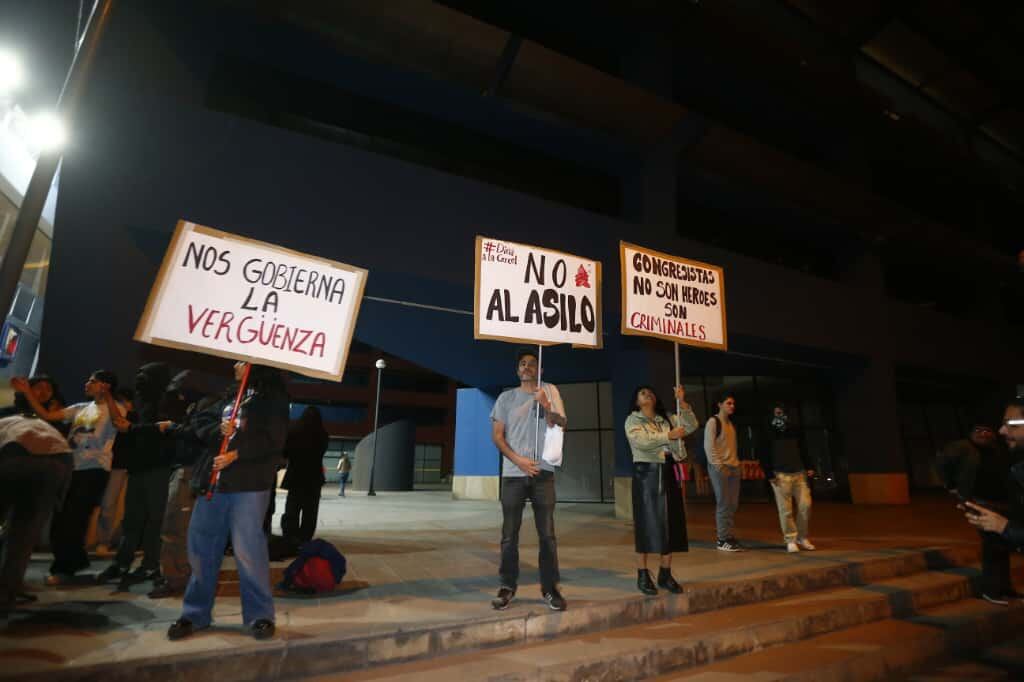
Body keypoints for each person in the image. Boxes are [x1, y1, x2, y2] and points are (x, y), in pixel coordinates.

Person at [167, 362, 289, 641]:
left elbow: (274, 440)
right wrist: (217, 430)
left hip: (249, 484)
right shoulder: (230, 396)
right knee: (201, 548)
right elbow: (201, 422)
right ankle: (194, 614)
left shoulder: (272, 398)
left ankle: (259, 616)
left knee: (248, 551)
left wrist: (237, 452)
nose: (235, 365)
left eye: (242, 360)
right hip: (214, 483)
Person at [12, 370, 126, 584]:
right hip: (73, 467)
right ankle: (73, 561)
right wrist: (27, 391)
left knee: (73, 518)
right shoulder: (80, 408)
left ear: (104, 385)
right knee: (63, 517)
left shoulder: (115, 407)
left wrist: (108, 397)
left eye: (92, 381)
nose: (87, 383)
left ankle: (64, 568)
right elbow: (47, 416)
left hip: (95, 468)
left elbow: (119, 422)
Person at [489, 348, 568, 612]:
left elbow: (561, 423)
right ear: (517, 370)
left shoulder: (550, 391)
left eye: (532, 364)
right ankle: (507, 585)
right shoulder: (505, 398)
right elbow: (498, 436)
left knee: (547, 535)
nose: (527, 367)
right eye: (522, 364)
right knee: (509, 535)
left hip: (543, 473)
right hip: (514, 474)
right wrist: (518, 460)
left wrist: (546, 406)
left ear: (540, 370)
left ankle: (550, 588)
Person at [97, 363, 176, 587]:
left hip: (158, 469)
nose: (140, 378)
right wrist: (109, 397)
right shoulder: (143, 402)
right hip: (139, 468)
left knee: (154, 520)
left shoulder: (167, 402)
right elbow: (123, 423)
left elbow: (163, 429)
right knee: (132, 519)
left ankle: (150, 564)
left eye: (145, 374)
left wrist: (133, 429)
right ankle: (122, 562)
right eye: (138, 372)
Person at [149, 372, 221, 599]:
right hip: (190, 471)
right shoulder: (202, 404)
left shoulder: (207, 405)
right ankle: (178, 575)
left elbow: (200, 434)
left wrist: (173, 428)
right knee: (178, 528)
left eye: (180, 390)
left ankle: (177, 578)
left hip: (191, 472)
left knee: (175, 528)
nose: (178, 396)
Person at [624, 385, 698, 595]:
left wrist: (682, 403)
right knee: (646, 524)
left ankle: (665, 573)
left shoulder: (667, 418)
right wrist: (669, 436)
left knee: (671, 523)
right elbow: (641, 441)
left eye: (650, 391)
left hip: (668, 469)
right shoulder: (633, 420)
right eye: (642, 392)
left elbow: (691, 425)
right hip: (646, 473)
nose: (647, 394)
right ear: (637, 401)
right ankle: (642, 573)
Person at [0, 412, 74, 611]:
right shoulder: (40, 426)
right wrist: (59, 497)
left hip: (15, 455)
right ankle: (7, 594)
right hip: (58, 461)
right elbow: (67, 459)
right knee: (23, 535)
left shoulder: (4, 425)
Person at [940, 418, 1015, 604]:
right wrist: (951, 486)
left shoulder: (998, 449)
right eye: (978, 430)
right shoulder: (962, 447)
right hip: (978, 502)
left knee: (1002, 545)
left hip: (1001, 502)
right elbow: (941, 462)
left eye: (987, 430)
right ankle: (990, 590)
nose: (983, 434)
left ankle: (1005, 588)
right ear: (971, 432)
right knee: (992, 544)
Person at [961, 398, 1024, 602]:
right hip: (986, 502)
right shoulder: (1012, 457)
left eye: (1010, 424)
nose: (1001, 431)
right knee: (994, 547)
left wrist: (1004, 526)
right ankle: (994, 589)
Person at [758, 405, 816, 553]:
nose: (779, 415)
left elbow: (803, 447)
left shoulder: (794, 428)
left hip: (799, 473)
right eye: (776, 412)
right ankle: (790, 538)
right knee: (785, 510)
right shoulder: (767, 430)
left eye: (782, 412)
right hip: (780, 475)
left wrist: (809, 466)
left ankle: (801, 536)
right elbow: (763, 452)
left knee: (805, 505)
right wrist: (769, 474)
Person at [94, 387, 135, 557]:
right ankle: (101, 541)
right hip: (105, 464)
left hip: (121, 466)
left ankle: (106, 541)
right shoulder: (105, 418)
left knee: (111, 505)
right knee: (105, 505)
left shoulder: (131, 419)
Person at [281, 406, 329, 544]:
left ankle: (290, 537)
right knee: (310, 511)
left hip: (296, 476)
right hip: (314, 479)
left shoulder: (294, 433)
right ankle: (305, 538)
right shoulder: (323, 435)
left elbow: (285, 453)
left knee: (292, 508)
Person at [704, 392, 744, 552]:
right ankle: (722, 540)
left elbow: (731, 448)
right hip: (720, 468)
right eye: (728, 403)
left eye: (733, 403)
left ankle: (728, 535)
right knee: (723, 503)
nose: (732, 406)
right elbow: (709, 446)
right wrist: (720, 467)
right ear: (719, 404)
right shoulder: (713, 422)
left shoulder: (730, 424)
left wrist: (737, 465)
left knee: (732, 504)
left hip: (734, 467)